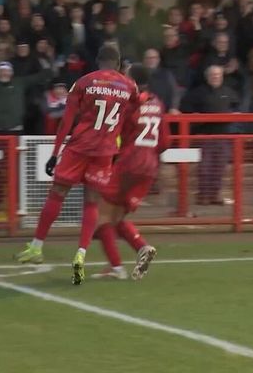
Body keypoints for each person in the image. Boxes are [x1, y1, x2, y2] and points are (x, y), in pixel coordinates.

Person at [13, 45, 139, 286]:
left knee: (57, 194)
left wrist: (55, 153)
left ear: (98, 61)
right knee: (91, 203)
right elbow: (134, 120)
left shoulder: (84, 82)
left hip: (80, 147)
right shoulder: (129, 86)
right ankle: (81, 254)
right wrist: (122, 148)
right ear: (118, 64)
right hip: (105, 151)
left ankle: (36, 247)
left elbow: (67, 120)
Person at [92, 63, 167, 281]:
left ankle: (117, 268)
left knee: (101, 217)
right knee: (116, 217)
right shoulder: (157, 102)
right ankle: (142, 247)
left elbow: (112, 131)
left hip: (129, 163)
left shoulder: (127, 102)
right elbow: (164, 142)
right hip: (149, 166)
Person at [180, 65, 239, 205]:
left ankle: (215, 195)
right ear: (207, 77)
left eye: (218, 74)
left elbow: (237, 107)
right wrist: (194, 116)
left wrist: (235, 114)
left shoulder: (229, 92)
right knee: (205, 168)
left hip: (223, 136)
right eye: (213, 74)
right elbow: (185, 108)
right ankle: (203, 196)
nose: (215, 77)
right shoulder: (198, 93)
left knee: (219, 167)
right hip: (205, 135)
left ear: (222, 76)